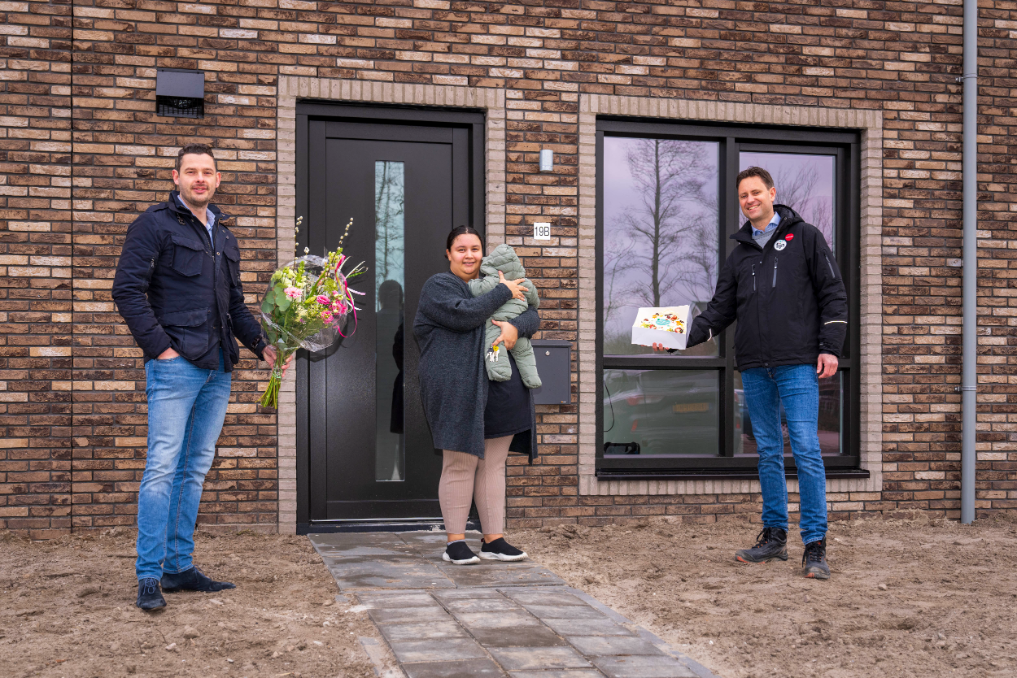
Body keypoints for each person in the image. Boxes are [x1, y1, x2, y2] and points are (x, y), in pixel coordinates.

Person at [112, 143, 290, 610]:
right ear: (176, 177)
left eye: (207, 172)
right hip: (175, 367)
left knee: (193, 471)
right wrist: (162, 350)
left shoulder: (224, 237)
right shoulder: (153, 225)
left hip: (218, 367)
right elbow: (127, 292)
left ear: (217, 180)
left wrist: (262, 347)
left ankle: (178, 567)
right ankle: (149, 575)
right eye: (191, 172)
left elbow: (233, 306)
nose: (199, 179)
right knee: (162, 470)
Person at [654, 166, 847, 579]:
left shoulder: (806, 237)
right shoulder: (739, 254)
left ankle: (814, 546)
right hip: (756, 367)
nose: (749, 200)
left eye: (756, 192)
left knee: (807, 451)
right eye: (743, 195)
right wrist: (674, 336)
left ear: (772, 193)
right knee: (768, 454)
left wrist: (831, 348)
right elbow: (720, 310)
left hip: (797, 363)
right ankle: (774, 537)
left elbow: (833, 293)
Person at [414, 225, 540, 565]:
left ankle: (493, 539)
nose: (469, 255)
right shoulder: (440, 286)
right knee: (460, 463)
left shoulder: (495, 280)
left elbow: (531, 311)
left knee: (493, 465)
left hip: (501, 386)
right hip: (459, 388)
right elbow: (463, 315)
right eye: (461, 249)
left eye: (475, 248)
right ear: (448, 253)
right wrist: (503, 291)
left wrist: (516, 327)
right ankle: (455, 542)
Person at [468, 243, 542, 388]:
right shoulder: (525, 283)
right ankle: (532, 378)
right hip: (519, 329)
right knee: (525, 353)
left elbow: (476, 289)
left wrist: (471, 283)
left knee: (494, 346)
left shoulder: (492, 282)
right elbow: (535, 301)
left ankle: (499, 371)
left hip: (497, 325)